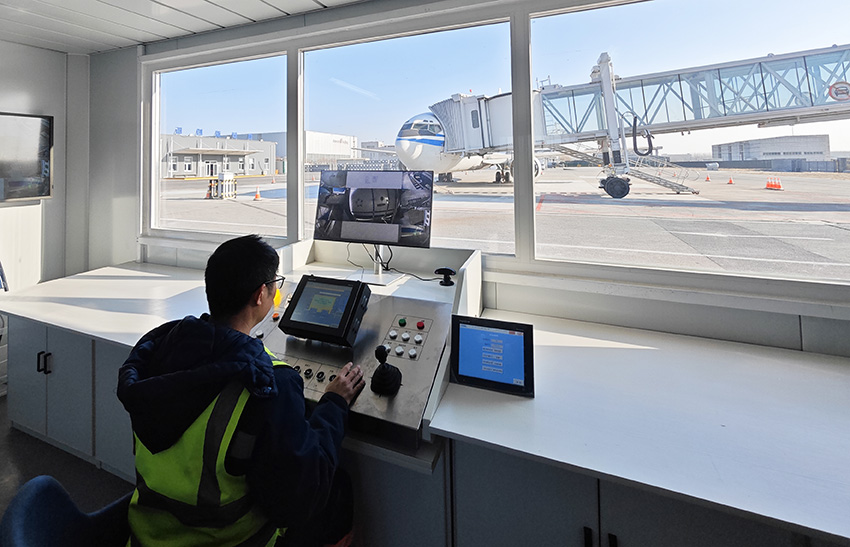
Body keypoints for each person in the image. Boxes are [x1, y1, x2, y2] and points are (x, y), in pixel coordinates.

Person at [117, 234, 365, 547]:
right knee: (335, 487)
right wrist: (334, 403)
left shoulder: (162, 347)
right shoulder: (270, 382)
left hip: (147, 535)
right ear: (261, 295)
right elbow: (299, 498)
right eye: (275, 284)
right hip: (228, 540)